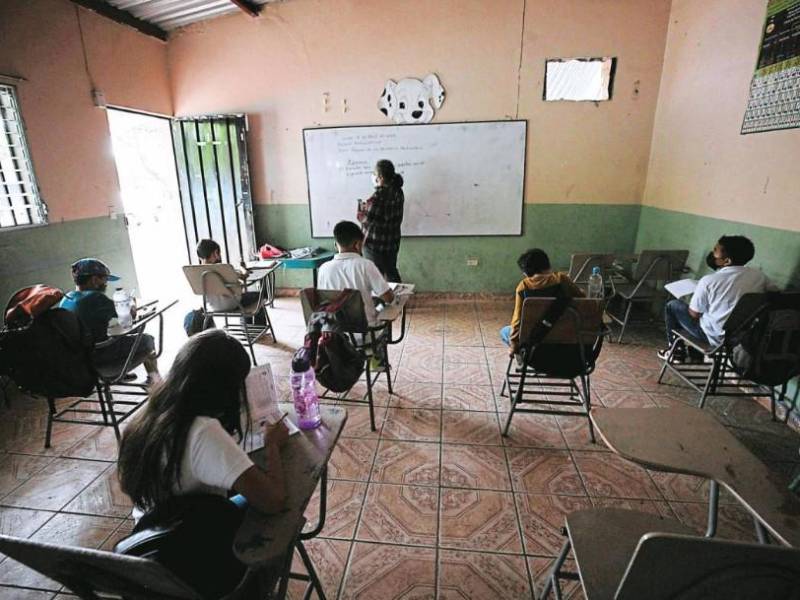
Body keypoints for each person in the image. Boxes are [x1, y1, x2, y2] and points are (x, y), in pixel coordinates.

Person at [117, 329, 288, 598]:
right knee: (286, 516)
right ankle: (257, 589)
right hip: (190, 561)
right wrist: (272, 445)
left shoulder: (148, 415)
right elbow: (273, 500)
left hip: (149, 545)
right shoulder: (202, 430)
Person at [659, 235, 773, 361]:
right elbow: (774, 294)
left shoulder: (709, 281)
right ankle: (693, 353)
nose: (712, 254)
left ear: (727, 261)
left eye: (715, 251)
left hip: (713, 336)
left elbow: (694, 314)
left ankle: (676, 352)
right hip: (742, 337)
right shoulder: (759, 276)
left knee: (673, 305)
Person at [58, 258, 160, 383]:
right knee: (146, 340)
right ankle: (154, 381)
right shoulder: (95, 297)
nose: (106, 284)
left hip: (81, 362)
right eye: (105, 279)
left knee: (128, 338)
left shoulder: (66, 299)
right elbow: (129, 315)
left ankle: (121, 375)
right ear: (94, 279)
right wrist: (132, 303)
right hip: (101, 361)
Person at [500, 248, 584, 356]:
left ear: (526, 273)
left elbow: (517, 321)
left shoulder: (523, 287)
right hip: (565, 339)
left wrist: (514, 345)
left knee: (504, 331)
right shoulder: (562, 280)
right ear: (547, 265)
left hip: (534, 342)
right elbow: (583, 300)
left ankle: (525, 355)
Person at [318, 220, 394, 328]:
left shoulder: (323, 268)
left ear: (336, 245)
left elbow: (325, 299)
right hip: (366, 331)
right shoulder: (366, 265)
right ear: (358, 244)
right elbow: (388, 298)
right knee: (386, 306)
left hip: (334, 331)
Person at [357, 159, 404, 282]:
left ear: (381, 177)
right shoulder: (398, 192)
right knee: (391, 272)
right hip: (392, 242)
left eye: (375, 175)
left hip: (375, 244)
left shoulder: (377, 197)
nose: (373, 177)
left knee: (375, 277)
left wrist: (361, 211)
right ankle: (398, 299)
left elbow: (367, 220)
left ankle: (379, 300)